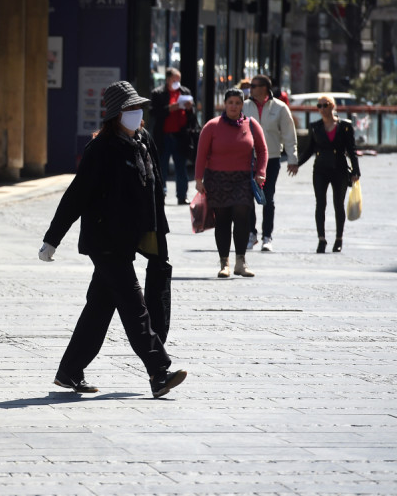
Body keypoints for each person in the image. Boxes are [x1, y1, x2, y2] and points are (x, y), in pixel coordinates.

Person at [38, 81, 186, 398]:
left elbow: (154, 192)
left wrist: (159, 242)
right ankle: (159, 372)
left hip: (129, 240)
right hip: (104, 241)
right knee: (134, 307)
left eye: (138, 107)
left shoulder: (143, 141)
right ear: (115, 115)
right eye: (130, 109)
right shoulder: (102, 148)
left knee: (99, 308)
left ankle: (69, 372)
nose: (137, 113)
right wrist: (53, 239)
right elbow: (76, 196)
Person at [195, 88, 268, 278]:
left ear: (242, 105)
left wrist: (261, 173)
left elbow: (262, 151)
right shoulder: (212, 126)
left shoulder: (251, 125)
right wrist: (198, 179)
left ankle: (241, 262)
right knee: (223, 220)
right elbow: (201, 154)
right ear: (225, 104)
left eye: (237, 103)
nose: (234, 106)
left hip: (243, 179)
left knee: (242, 214)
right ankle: (224, 263)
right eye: (230, 103)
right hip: (217, 178)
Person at [296, 95, 361, 253]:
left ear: (332, 107)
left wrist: (356, 170)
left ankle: (339, 239)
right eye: (319, 106)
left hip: (339, 169)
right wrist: (296, 164)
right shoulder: (315, 127)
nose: (322, 109)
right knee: (320, 204)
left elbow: (351, 150)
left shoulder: (344, 126)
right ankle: (321, 239)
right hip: (320, 170)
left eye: (325, 105)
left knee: (338, 204)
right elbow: (309, 149)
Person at [242, 74, 298, 252]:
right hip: (247, 158)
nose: (251, 88)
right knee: (247, 197)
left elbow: (289, 134)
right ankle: (251, 234)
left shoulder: (280, 108)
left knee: (268, 197)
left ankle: (267, 236)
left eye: (255, 85)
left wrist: (292, 159)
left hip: (271, 158)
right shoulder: (244, 106)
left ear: (265, 88)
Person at [150, 67, 195, 205]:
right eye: (175, 79)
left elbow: (191, 116)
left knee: (181, 167)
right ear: (168, 79)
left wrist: (188, 109)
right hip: (163, 135)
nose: (177, 82)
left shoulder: (185, 92)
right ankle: (160, 194)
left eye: (179, 79)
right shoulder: (158, 93)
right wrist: (169, 108)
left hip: (180, 135)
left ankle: (182, 196)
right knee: (161, 166)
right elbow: (153, 113)